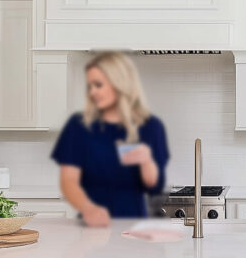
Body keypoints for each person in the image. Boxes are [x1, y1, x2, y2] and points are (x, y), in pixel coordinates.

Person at [52, 51, 169, 226]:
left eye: (98, 85)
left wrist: (146, 161)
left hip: (134, 226)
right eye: (90, 86)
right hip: (91, 225)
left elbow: (154, 186)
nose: (92, 92)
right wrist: (88, 208)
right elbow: (68, 181)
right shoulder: (78, 126)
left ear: (119, 83)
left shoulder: (151, 127)